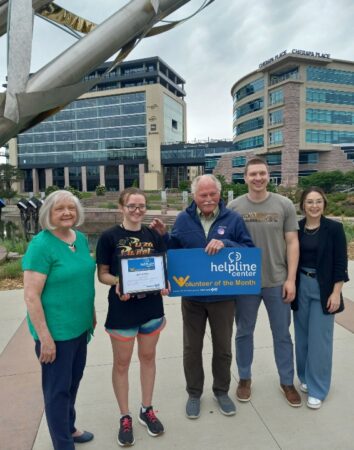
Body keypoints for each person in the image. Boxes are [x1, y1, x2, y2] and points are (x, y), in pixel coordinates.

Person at [151, 174, 254, 419]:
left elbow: (249, 250)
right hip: (193, 296)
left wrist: (226, 243)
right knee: (191, 348)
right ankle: (194, 393)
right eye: (203, 195)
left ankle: (221, 391)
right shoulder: (184, 219)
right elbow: (174, 252)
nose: (208, 199)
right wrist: (165, 236)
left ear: (219, 194)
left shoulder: (233, 219)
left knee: (223, 348)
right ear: (194, 196)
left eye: (212, 194)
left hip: (223, 296)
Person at [22, 190, 96, 450]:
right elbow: (31, 296)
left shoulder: (82, 239)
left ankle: (69, 427)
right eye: (60, 209)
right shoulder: (41, 245)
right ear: (48, 214)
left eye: (71, 208)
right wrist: (45, 338)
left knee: (73, 383)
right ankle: (63, 444)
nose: (67, 213)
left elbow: (83, 279)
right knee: (56, 391)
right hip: (55, 334)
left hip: (79, 328)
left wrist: (92, 315)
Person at [96, 187, 169, 447]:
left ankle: (146, 409)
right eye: (131, 206)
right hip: (122, 309)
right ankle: (124, 415)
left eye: (141, 206)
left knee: (148, 358)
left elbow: (161, 267)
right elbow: (102, 273)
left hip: (151, 309)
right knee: (122, 364)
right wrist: (118, 282)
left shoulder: (153, 235)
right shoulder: (109, 237)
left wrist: (164, 283)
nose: (137, 211)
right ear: (121, 207)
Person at [228, 157, 302, 407]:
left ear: (268, 175)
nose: (258, 178)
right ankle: (245, 378)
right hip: (245, 283)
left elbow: (292, 242)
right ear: (245, 177)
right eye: (253, 174)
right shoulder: (234, 207)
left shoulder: (284, 204)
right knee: (244, 332)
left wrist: (291, 279)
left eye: (262, 173)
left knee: (282, 334)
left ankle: (286, 381)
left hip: (277, 280)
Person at [292, 187, 348, 409]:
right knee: (303, 336)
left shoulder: (334, 228)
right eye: (309, 202)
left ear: (324, 204)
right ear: (302, 205)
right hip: (300, 285)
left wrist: (336, 292)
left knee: (320, 341)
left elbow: (340, 263)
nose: (314, 206)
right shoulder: (296, 228)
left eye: (318, 202)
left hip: (324, 288)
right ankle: (305, 377)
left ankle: (318, 388)